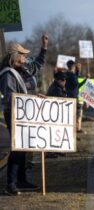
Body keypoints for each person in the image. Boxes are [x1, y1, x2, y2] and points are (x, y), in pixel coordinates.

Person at [0, 35, 48, 196]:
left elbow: (37, 65)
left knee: (24, 147)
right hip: (14, 114)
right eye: (22, 54)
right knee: (18, 147)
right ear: (15, 57)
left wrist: (44, 47)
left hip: (25, 113)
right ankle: (10, 183)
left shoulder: (22, 70)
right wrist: (34, 98)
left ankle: (21, 179)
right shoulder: (8, 74)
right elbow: (11, 98)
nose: (25, 57)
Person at [65, 60, 88, 133]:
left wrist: (84, 79)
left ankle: (74, 130)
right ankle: (75, 130)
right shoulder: (71, 75)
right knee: (76, 115)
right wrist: (85, 79)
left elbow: (77, 85)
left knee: (73, 116)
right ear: (73, 66)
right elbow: (77, 85)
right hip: (73, 97)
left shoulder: (67, 74)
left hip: (70, 97)